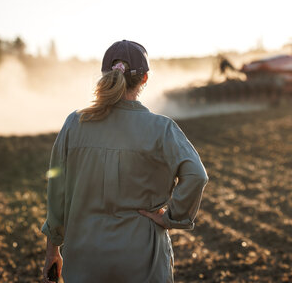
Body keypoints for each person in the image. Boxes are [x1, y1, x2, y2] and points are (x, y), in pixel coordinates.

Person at [41, 40, 208, 283]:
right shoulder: (162, 129)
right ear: (145, 79)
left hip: (84, 260)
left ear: (104, 76)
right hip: (143, 260)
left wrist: (52, 252)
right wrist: (171, 218)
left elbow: (57, 194)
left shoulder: (74, 124)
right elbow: (197, 175)